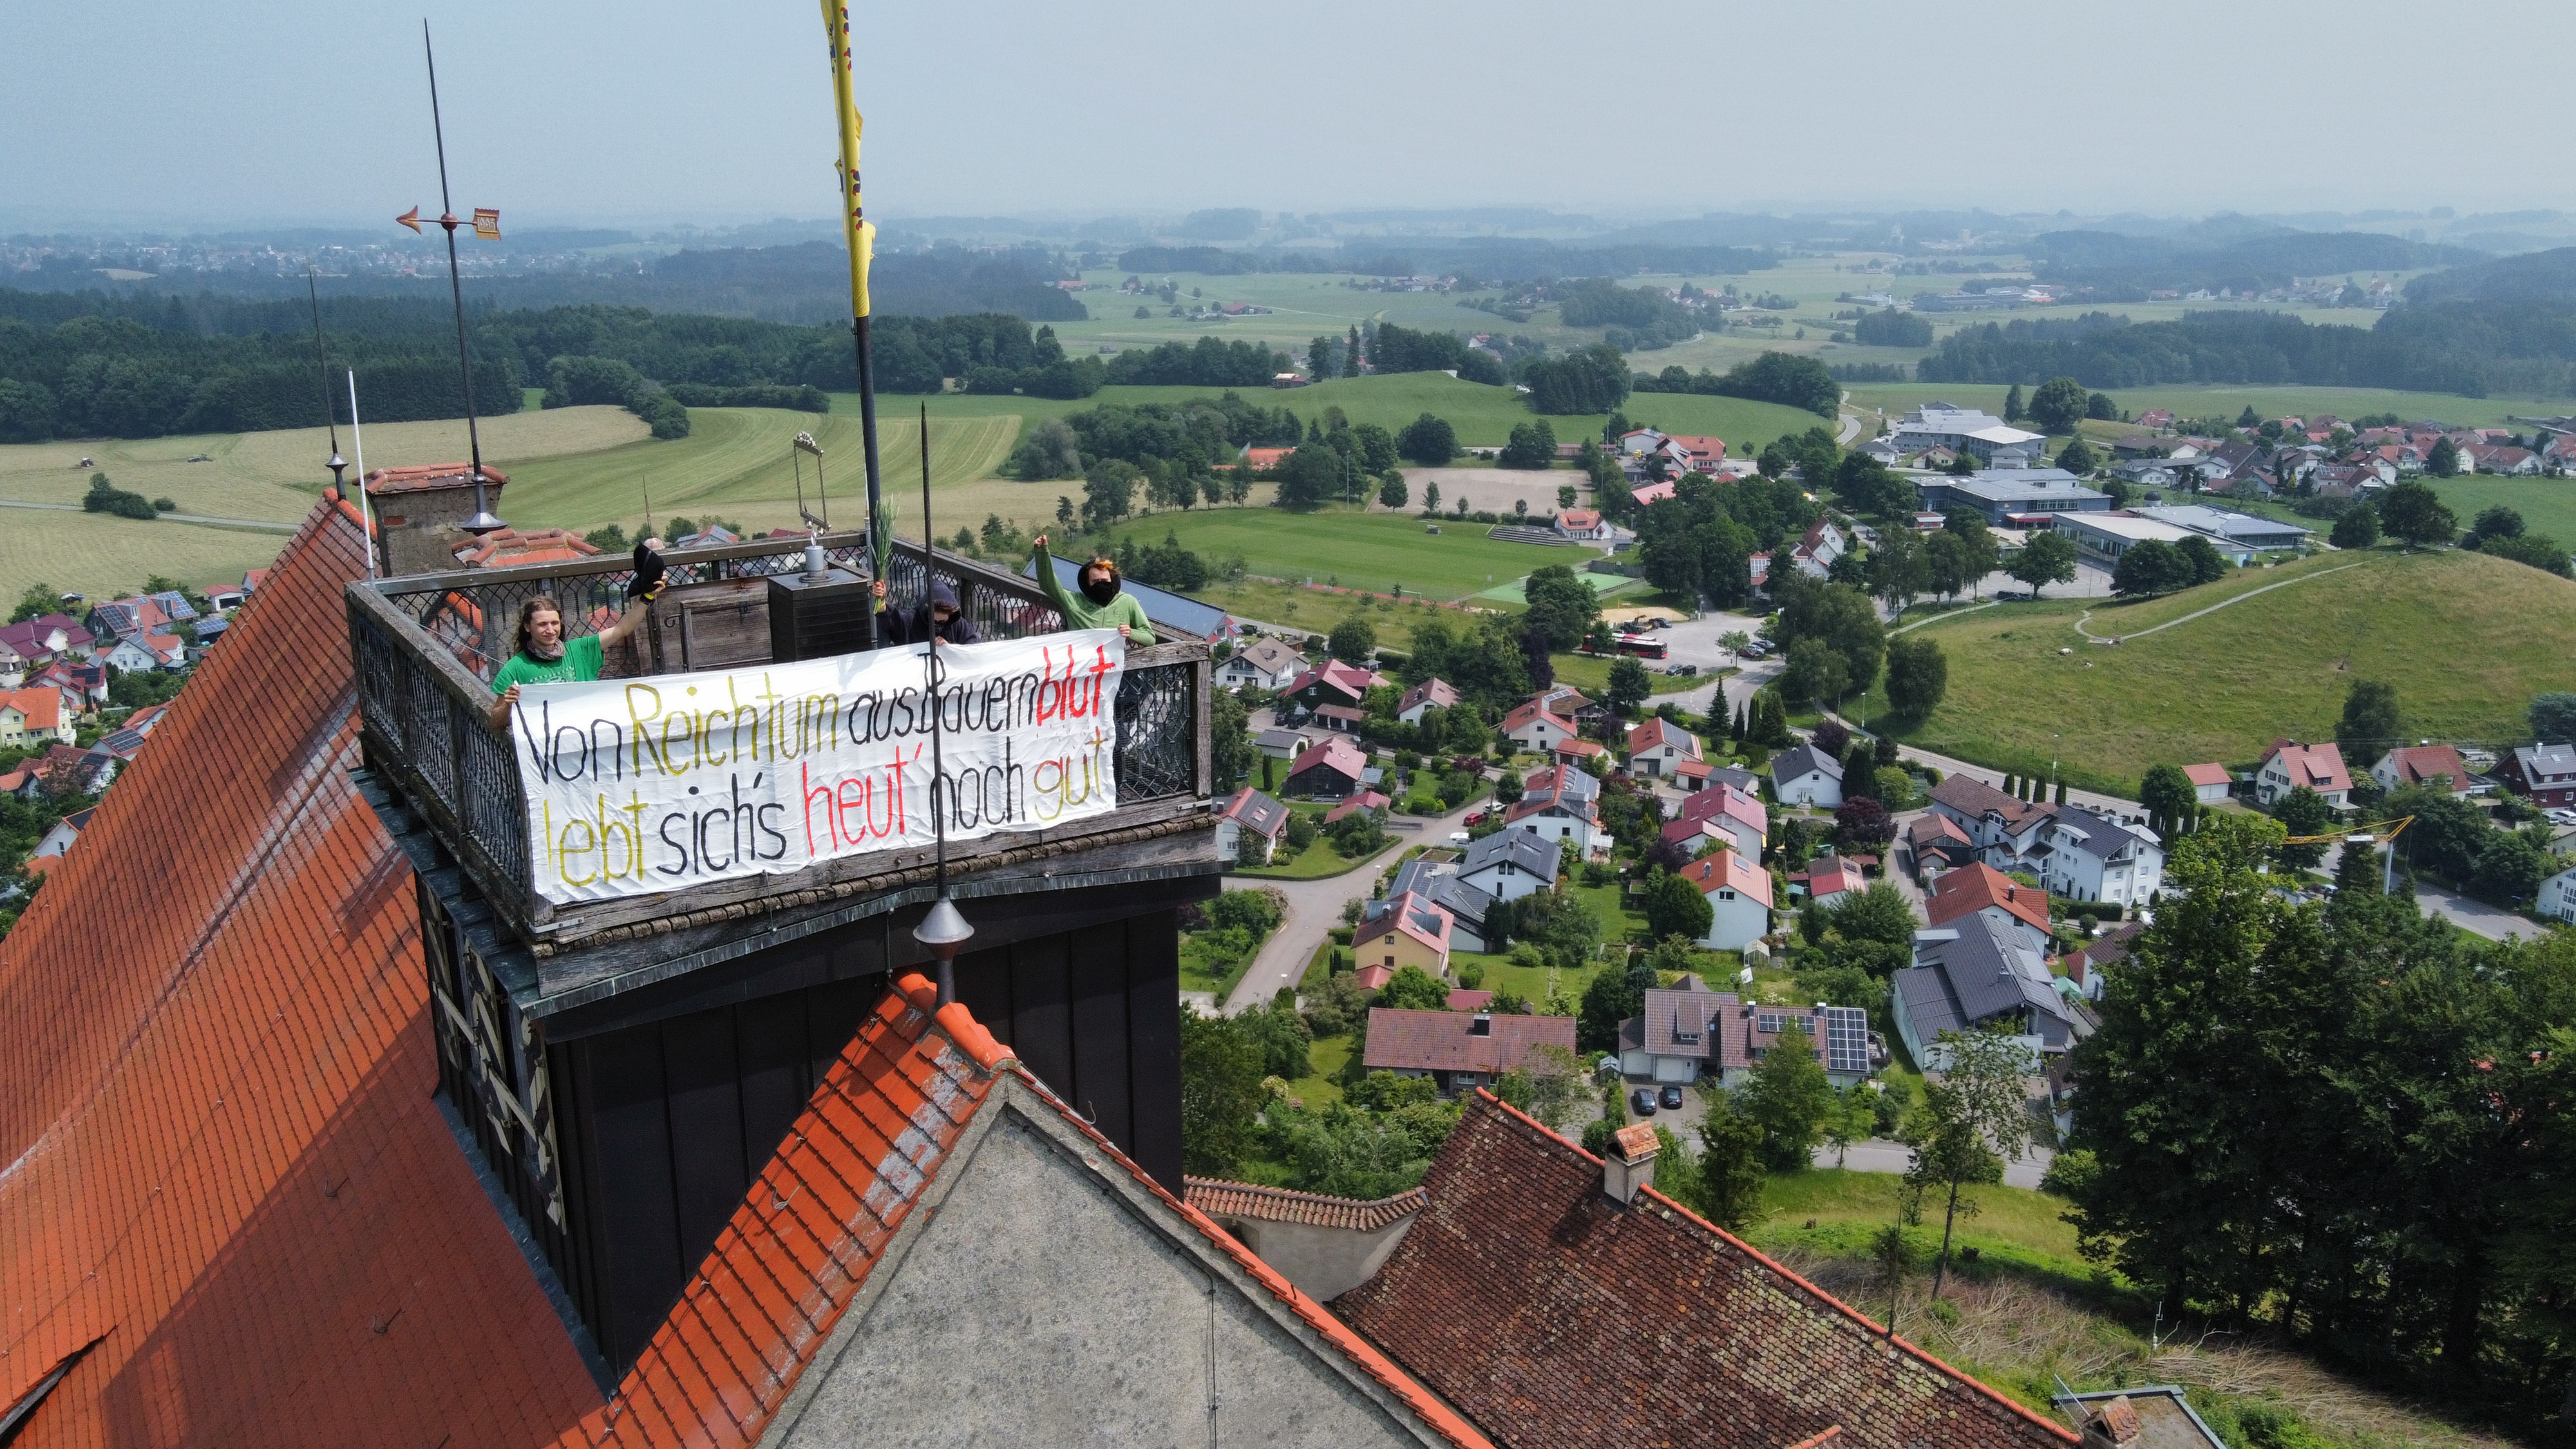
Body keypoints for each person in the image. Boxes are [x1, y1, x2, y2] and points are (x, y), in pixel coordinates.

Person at [488, 540, 666, 728]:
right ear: (527, 627)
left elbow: (622, 629)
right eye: (542, 624)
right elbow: (496, 722)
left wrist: (648, 598)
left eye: (554, 623)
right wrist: (508, 704)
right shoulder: (514, 668)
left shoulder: (580, 651)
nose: (550, 630)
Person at [1030, 535, 1150, 640]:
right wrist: (1042, 553)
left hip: (1114, 659)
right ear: (1087, 583)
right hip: (1082, 658)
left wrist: (1131, 633)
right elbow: (1048, 584)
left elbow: (1149, 637)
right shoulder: (1074, 601)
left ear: (1113, 580)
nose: (1101, 584)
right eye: (1095, 581)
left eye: (1105, 580)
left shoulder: (1128, 602)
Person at [869, 577, 980, 647]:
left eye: (942, 622)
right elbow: (891, 621)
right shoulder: (910, 621)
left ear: (950, 616)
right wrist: (881, 600)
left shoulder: (957, 625)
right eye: (933, 620)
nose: (937, 625)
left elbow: (974, 648)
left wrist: (950, 648)